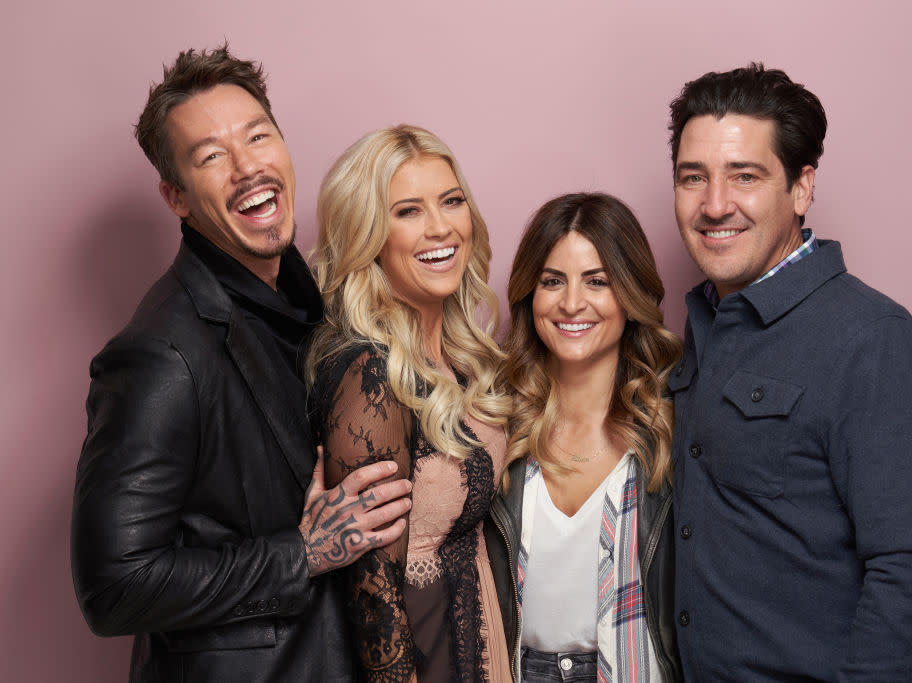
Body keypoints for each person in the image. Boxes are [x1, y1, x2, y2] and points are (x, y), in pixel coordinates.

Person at [71, 45, 412, 683]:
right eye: (211, 156)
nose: (247, 166)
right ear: (175, 196)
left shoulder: (312, 303)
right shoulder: (159, 353)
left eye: (258, 137)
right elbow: (112, 585)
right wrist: (302, 554)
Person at [666, 63, 912, 681]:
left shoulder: (876, 342)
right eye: (693, 178)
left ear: (802, 189)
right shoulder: (697, 330)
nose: (714, 204)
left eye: (744, 177)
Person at [306, 124, 513, 682]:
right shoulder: (369, 373)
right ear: (369, 233)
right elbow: (373, 604)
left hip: (480, 642)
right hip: (423, 659)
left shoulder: (464, 353)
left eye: (451, 201)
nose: (441, 227)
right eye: (408, 211)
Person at [486, 192, 683, 682]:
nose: (572, 303)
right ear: (530, 294)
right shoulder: (492, 425)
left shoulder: (674, 429)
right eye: (553, 281)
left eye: (597, 281)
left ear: (631, 295)